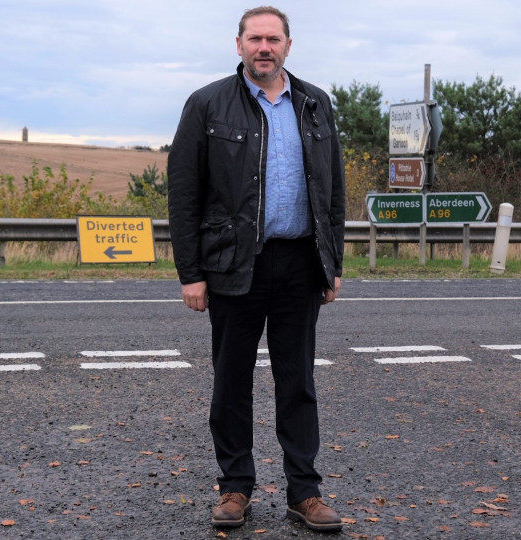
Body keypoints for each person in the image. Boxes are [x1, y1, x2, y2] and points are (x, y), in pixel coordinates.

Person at [166, 6, 345, 533]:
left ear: (289, 44)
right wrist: (190, 272)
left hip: (300, 263)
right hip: (231, 264)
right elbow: (183, 194)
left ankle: (304, 493)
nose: (263, 47)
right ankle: (235, 488)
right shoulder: (206, 104)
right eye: (254, 39)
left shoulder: (316, 103)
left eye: (273, 39)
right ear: (238, 44)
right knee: (232, 382)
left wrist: (332, 263)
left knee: (298, 382)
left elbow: (332, 191)